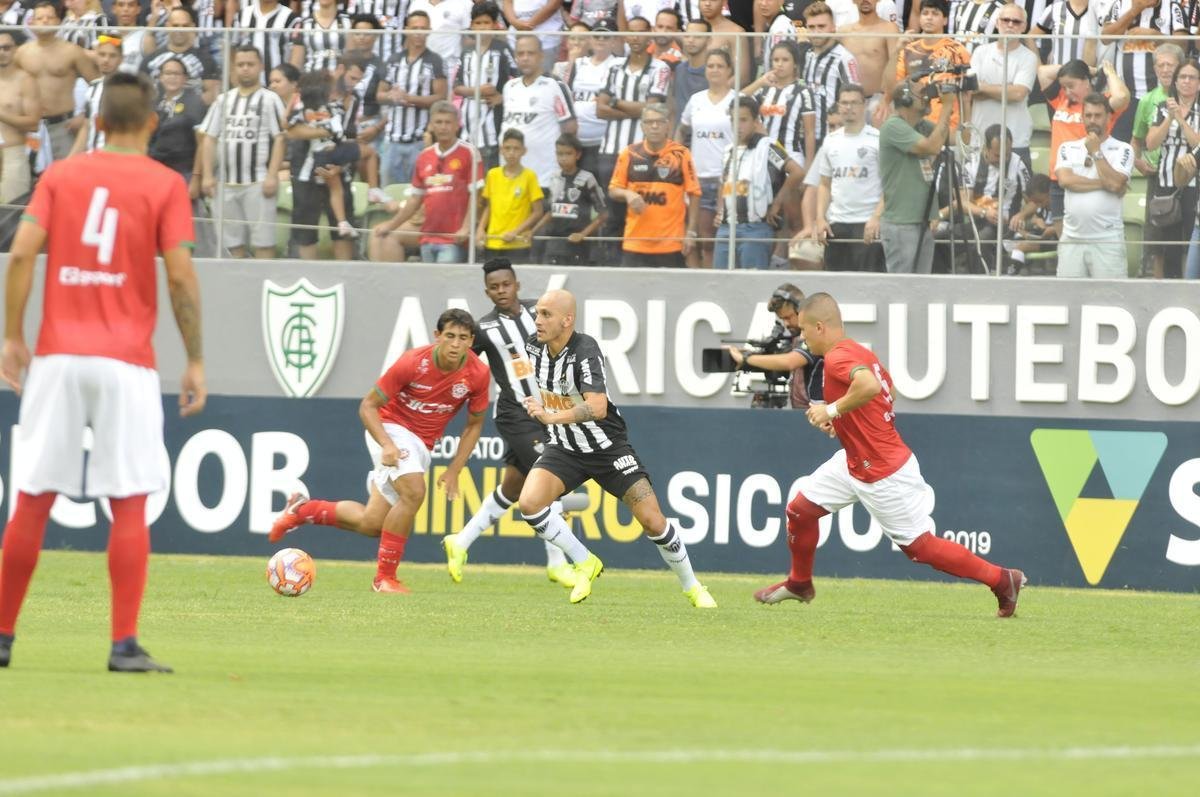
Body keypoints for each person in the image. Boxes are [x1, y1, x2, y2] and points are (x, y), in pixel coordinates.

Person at [0, 71, 206, 673]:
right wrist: (194, 356)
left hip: (58, 357)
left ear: (98, 121)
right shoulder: (165, 184)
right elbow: (180, 275)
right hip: (126, 362)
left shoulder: (62, 176)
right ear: (149, 122)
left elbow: (20, 253)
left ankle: (3, 636)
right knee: (130, 500)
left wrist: (13, 334)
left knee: (33, 497)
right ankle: (123, 644)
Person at [754, 293, 1026, 618]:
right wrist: (843, 421)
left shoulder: (839, 358)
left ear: (820, 326)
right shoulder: (857, 350)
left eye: (805, 332)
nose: (803, 339)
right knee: (800, 510)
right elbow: (889, 392)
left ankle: (1002, 580)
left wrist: (832, 409)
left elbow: (868, 387)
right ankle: (800, 583)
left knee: (920, 548)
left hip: (882, 470)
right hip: (855, 460)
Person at [517, 289, 717, 608]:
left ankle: (694, 587)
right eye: (537, 313)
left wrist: (551, 415)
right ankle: (585, 561)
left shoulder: (585, 350)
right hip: (565, 448)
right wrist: (537, 401)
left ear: (567, 320)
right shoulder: (533, 346)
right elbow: (546, 380)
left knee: (653, 521)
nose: (537, 320)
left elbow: (596, 407)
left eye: (546, 315)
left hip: (607, 449)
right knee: (529, 503)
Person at [269, 309, 490, 595]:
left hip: (421, 444)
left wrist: (454, 469)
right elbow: (368, 406)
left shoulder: (478, 374)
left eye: (463, 338)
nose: (456, 344)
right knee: (414, 492)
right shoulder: (412, 363)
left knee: (373, 523)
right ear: (437, 337)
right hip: (389, 428)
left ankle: (303, 509)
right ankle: (384, 579)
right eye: (449, 336)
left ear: (471, 341)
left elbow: (474, 425)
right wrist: (387, 444)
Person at [442, 260, 579, 587]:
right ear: (487, 291)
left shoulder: (540, 312)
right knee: (550, 475)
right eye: (494, 287)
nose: (501, 291)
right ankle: (558, 563)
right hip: (516, 412)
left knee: (514, 488)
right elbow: (462, 363)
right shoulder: (485, 328)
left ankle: (459, 542)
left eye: (506, 284)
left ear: (516, 284)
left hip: (549, 411)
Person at [198, 44, 287, 259]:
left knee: (263, 243)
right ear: (234, 68)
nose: (245, 69)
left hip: (257, 182)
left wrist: (272, 176)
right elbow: (209, 138)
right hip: (224, 185)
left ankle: (262, 287)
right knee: (231, 245)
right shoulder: (223, 100)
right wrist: (208, 175)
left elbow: (281, 138)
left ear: (260, 67)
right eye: (240, 65)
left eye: (250, 64)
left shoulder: (270, 99)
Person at [595, 15, 671, 261]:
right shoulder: (614, 67)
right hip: (610, 150)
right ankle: (612, 265)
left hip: (643, 152)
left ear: (648, 35)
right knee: (612, 214)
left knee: (640, 210)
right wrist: (633, 108)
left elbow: (653, 109)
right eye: (631, 32)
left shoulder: (660, 68)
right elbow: (600, 109)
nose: (635, 37)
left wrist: (615, 103)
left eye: (640, 32)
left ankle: (637, 261)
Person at [371, 100, 484, 263]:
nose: (443, 127)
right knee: (428, 283)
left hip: (454, 238)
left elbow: (476, 195)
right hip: (428, 236)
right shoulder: (424, 156)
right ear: (431, 125)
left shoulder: (469, 152)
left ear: (457, 125)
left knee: (442, 282)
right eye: (438, 122)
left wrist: (466, 227)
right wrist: (391, 225)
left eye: (448, 122)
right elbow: (415, 199)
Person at [1037, 59, 1129, 233]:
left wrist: (1109, 72)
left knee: (1091, 235)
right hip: (1059, 180)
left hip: (1088, 176)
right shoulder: (1061, 99)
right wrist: (1090, 69)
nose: (1067, 91)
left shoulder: (1100, 106)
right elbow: (1043, 72)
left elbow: (1122, 97)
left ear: (1086, 82)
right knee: (1065, 241)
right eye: (1064, 86)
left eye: (1071, 85)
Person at [801, 83, 885, 272]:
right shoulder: (831, 140)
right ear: (839, 106)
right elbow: (824, 184)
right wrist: (820, 218)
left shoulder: (877, 139)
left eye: (854, 103)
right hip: (836, 223)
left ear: (863, 106)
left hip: (866, 224)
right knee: (835, 282)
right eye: (845, 103)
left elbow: (890, 185)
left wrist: (876, 217)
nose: (849, 107)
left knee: (867, 282)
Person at [714, 97, 804, 269]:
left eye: (743, 120)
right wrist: (720, 209)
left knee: (751, 283)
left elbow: (797, 172)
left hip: (754, 227)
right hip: (726, 228)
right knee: (721, 284)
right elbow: (723, 183)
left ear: (755, 122)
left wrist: (777, 203)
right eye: (733, 120)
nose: (737, 125)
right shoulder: (728, 150)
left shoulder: (767, 147)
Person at [609, 102, 701, 267]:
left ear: (668, 125)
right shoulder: (629, 153)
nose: (655, 126)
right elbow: (613, 189)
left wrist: (691, 232)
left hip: (670, 244)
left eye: (660, 121)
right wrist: (628, 194)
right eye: (649, 122)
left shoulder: (681, 154)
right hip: (635, 242)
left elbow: (694, 193)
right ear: (642, 126)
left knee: (669, 292)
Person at [1055, 93, 1134, 279]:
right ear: (1082, 117)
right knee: (1069, 300)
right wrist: (1104, 183)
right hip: (1071, 240)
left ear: (1108, 117)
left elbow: (1115, 183)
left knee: (1110, 300)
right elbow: (1066, 181)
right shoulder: (1067, 147)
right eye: (1088, 115)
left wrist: (1096, 152)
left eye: (1098, 115)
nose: (1092, 120)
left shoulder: (1123, 149)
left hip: (1107, 240)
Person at [877, 79, 952, 273]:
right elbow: (932, 146)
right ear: (906, 99)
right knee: (902, 290)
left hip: (922, 222)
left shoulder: (920, 126)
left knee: (921, 289)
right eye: (922, 93)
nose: (928, 96)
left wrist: (963, 101)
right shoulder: (892, 126)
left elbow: (961, 139)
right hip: (902, 223)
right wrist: (947, 107)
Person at [15, 1, 98, 163]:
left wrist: (83, 116)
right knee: (32, 178)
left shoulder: (72, 51)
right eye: (40, 18)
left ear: (59, 22)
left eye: (50, 17)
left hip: (63, 126)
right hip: (31, 128)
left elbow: (96, 85)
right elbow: (10, 87)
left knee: (67, 176)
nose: (45, 21)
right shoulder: (21, 53)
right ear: (32, 23)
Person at [676, 48, 735, 267]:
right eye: (710, 66)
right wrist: (676, 157)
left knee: (714, 241)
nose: (715, 70)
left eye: (720, 66)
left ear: (730, 70)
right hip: (697, 179)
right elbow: (682, 130)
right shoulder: (696, 100)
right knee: (696, 238)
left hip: (726, 180)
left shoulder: (738, 100)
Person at [1143, 58, 1200, 279]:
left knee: (1192, 239)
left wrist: (1182, 120)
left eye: (1192, 77)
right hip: (1165, 182)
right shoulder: (1162, 107)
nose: (1186, 82)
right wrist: (1169, 118)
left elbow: (1197, 144)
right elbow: (1151, 143)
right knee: (1169, 244)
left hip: (1194, 184)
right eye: (1182, 77)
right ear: (1175, 82)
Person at [723, 283, 820, 410]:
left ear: (801, 310)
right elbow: (783, 358)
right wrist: (748, 353)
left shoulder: (813, 335)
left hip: (817, 416)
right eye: (782, 319)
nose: (786, 324)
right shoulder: (796, 340)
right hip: (803, 414)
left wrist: (746, 359)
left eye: (788, 317)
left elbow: (790, 361)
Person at [500, 34, 578, 190]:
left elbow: (570, 127)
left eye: (531, 53)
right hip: (511, 175)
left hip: (544, 177)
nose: (525, 58)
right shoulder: (509, 87)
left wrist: (564, 166)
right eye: (521, 54)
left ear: (541, 56)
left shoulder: (554, 86)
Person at [379, 10, 448, 185]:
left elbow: (441, 97)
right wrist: (391, 96)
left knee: (418, 190)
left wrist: (409, 98)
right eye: (415, 28)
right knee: (389, 190)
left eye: (423, 28)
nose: (419, 32)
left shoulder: (435, 61)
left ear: (429, 30)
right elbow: (379, 95)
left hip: (419, 140)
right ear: (406, 29)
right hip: (392, 139)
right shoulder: (393, 60)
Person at [1102, 0, 1185, 143]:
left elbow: (1184, 44)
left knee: (1155, 146)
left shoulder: (1172, 6)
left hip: (1161, 97)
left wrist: (1154, 36)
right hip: (1126, 97)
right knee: (1121, 144)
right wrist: (1134, 11)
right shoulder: (1120, 4)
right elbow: (1105, 38)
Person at [969, 3, 1037, 167]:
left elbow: (1018, 94)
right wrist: (1006, 88)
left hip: (1015, 141)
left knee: (1017, 192)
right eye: (1006, 20)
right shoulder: (981, 52)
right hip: (980, 138)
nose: (1010, 25)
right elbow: (970, 90)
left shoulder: (1029, 57)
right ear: (997, 23)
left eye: (1016, 21)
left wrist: (983, 87)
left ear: (1024, 27)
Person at [892, 0, 972, 135]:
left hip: (948, 127)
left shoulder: (958, 50)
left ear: (945, 20)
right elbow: (896, 87)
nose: (929, 17)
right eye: (925, 13)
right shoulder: (908, 50)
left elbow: (967, 94)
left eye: (935, 14)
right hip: (914, 127)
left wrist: (963, 126)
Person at [456, 1, 519, 173]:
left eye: (486, 23)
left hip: (492, 128)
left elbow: (519, 80)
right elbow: (456, 87)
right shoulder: (466, 52)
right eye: (478, 23)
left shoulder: (503, 49)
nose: (482, 27)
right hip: (467, 129)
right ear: (471, 25)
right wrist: (476, 91)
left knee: (488, 178)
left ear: (495, 25)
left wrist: (502, 97)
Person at [962, 123, 1031, 272]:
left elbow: (1033, 202)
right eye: (997, 155)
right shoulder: (971, 163)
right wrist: (984, 213)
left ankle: (983, 281)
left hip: (1006, 225)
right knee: (943, 237)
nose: (1003, 159)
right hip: (978, 220)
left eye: (1007, 154)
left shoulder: (1018, 164)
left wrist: (1022, 214)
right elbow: (964, 202)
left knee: (983, 238)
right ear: (986, 148)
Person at [554, 19, 619, 177]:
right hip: (576, 142)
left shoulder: (619, 64)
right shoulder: (579, 63)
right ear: (590, 39)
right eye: (597, 36)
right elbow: (566, 94)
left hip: (603, 141)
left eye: (606, 36)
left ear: (614, 40)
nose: (601, 40)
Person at [533, 132, 608, 264]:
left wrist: (583, 234)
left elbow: (603, 214)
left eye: (568, 154)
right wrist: (533, 231)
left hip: (578, 244)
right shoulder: (555, 177)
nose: (563, 158)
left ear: (578, 155)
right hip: (555, 242)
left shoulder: (587, 178)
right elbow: (552, 211)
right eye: (559, 154)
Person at [799, 2, 860, 152]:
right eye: (811, 27)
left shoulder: (844, 58)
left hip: (833, 138)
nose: (816, 32)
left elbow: (856, 99)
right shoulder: (806, 55)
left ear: (833, 27)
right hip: (805, 137)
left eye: (821, 26)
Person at [476, 128, 544, 260]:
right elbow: (489, 207)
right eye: (507, 148)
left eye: (516, 148)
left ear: (524, 151)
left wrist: (515, 232)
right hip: (493, 241)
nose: (511, 153)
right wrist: (480, 229)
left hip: (518, 243)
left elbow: (537, 212)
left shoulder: (529, 176)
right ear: (501, 150)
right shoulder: (492, 174)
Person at [142, 6, 220, 106]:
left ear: (192, 27)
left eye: (185, 26)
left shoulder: (206, 60)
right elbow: (139, 91)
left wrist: (188, 111)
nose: (180, 29)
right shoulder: (150, 60)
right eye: (175, 25)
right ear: (167, 26)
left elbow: (212, 93)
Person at [842, 0, 900, 118]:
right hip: (850, 101)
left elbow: (896, 66)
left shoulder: (889, 29)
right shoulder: (844, 32)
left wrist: (886, 99)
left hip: (880, 101)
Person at [0, 30, 39, 205]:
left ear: (15, 50)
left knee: (10, 218)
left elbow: (33, 123)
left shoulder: (26, 80)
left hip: (12, 154)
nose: (1, 52)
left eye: (6, 48)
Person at [69, 33, 122, 157]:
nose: (106, 60)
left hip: (116, 159)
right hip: (93, 158)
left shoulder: (129, 89)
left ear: (121, 59)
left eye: (112, 56)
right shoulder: (92, 88)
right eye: (102, 55)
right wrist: (70, 159)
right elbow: (86, 127)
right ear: (96, 57)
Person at [233, 0, 298, 80]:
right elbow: (231, 47)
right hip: (246, 82)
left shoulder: (290, 17)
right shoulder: (242, 15)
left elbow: (295, 52)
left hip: (277, 84)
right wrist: (234, 78)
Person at [289, 0, 353, 75]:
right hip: (311, 78)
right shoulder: (304, 24)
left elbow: (352, 55)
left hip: (341, 79)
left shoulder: (349, 21)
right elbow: (296, 62)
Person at [505, 0, 565, 75]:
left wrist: (530, 24)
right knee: (516, 79)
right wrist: (513, 21)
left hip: (546, 38)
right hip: (515, 37)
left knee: (544, 78)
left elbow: (555, 3)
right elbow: (507, 2)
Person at [1035, 0, 1099, 68]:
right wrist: (1039, 67)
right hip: (1057, 74)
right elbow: (1029, 38)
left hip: (1085, 75)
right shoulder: (1055, 9)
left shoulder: (1098, 10)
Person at [671, 18, 710, 128]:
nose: (691, 40)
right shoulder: (679, 69)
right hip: (680, 136)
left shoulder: (713, 71)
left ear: (709, 40)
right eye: (687, 36)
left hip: (704, 134)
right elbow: (674, 106)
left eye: (697, 36)